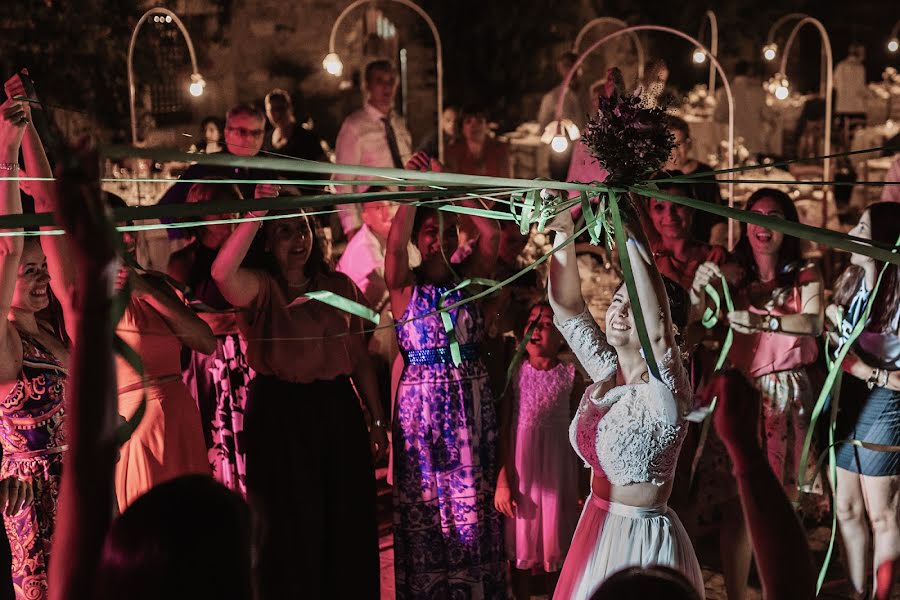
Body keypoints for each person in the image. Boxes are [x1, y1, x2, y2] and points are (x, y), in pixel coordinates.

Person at [211, 189, 387, 599]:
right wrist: (255, 213)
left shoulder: (338, 284)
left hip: (336, 408)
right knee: (291, 524)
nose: (298, 239)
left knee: (344, 518)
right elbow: (222, 275)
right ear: (268, 242)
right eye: (285, 231)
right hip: (281, 413)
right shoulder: (262, 289)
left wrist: (377, 419)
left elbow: (359, 356)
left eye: (303, 228)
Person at [546, 194, 703, 598]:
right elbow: (566, 310)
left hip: (641, 544)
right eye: (617, 300)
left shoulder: (665, 391)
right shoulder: (604, 372)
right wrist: (563, 231)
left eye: (632, 304)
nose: (619, 310)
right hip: (595, 529)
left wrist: (628, 224)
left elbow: (656, 334)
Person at [691, 189, 823, 599]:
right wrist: (700, 289)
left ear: (787, 225)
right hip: (744, 394)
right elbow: (701, 318)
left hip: (786, 393)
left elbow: (814, 323)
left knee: (781, 504)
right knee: (737, 505)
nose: (763, 226)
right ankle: (734, 594)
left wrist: (761, 319)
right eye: (756, 217)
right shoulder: (733, 273)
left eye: (774, 217)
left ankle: (780, 590)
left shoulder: (807, 272)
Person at [386, 153, 507, 598]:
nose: (435, 232)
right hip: (421, 417)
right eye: (427, 226)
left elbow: (490, 231)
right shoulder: (404, 285)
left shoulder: (472, 280)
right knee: (426, 511)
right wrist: (414, 193)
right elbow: (394, 246)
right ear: (419, 235)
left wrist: (450, 186)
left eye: (443, 224)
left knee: (471, 512)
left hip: (470, 412)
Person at [0, 83, 75, 600]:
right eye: (32, 272)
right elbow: (11, 243)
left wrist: (27, 131)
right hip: (35, 493)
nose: (43, 277)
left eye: (43, 269)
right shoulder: (5, 341)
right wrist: (4, 152)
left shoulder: (52, 329)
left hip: (79, 478)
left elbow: (47, 200)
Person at [112, 193, 216, 511]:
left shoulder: (158, 284)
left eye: (131, 226)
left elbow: (205, 342)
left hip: (180, 411)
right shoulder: (84, 294)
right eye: (117, 227)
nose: (128, 236)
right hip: (136, 423)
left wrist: (147, 292)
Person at [827, 202, 900, 599]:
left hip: (886, 403)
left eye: (862, 226)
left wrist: (866, 371)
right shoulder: (853, 283)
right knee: (847, 509)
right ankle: (858, 592)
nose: (852, 231)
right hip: (851, 401)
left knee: (882, 515)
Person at [168, 181, 254, 496]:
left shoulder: (250, 255)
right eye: (224, 211)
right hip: (211, 364)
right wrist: (236, 320)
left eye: (236, 209)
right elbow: (186, 322)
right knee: (218, 443)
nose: (233, 218)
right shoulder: (184, 262)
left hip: (252, 361)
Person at [495, 303, 585, 600]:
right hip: (524, 476)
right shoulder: (515, 374)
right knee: (520, 551)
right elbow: (506, 428)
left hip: (558, 476)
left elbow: (580, 432)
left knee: (555, 552)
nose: (536, 328)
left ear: (561, 335)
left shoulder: (571, 377)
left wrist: (583, 486)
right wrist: (504, 480)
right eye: (531, 321)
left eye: (546, 323)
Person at [704, 371, 816, 600]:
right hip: (749, 385)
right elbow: (792, 588)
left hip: (775, 391)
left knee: (785, 495)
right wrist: (744, 448)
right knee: (738, 509)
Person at [333, 59, 412, 240]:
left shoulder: (399, 124)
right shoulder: (354, 126)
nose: (387, 87)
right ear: (367, 85)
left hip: (403, 216)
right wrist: (352, 228)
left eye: (391, 81)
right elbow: (342, 182)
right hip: (373, 221)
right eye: (380, 81)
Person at [644, 175, 728, 292]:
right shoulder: (645, 258)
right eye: (659, 207)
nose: (669, 216)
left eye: (678, 205)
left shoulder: (715, 257)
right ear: (649, 212)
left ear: (692, 207)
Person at [663, 116, 726, 246]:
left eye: (680, 144)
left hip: (700, 247)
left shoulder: (704, 174)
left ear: (689, 143)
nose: (676, 151)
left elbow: (718, 218)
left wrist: (713, 250)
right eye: (671, 145)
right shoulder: (654, 177)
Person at [538, 51, 588, 181]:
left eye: (574, 65)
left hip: (586, 157)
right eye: (566, 66)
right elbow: (543, 135)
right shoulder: (552, 98)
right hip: (563, 156)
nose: (571, 70)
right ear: (560, 69)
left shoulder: (590, 94)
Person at [715, 60, 769, 157]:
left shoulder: (724, 91)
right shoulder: (759, 92)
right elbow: (768, 115)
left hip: (732, 141)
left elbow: (718, 116)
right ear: (750, 72)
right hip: (754, 142)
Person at [444, 105, 510, 178]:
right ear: (462, 128)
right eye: (468, 121)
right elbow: (452, 182)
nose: (474, 126)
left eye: (479, 121)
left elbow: (507, 181)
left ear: (486, 126)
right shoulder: (454, 151)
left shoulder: (500, 149)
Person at [263, 88, 328, 162]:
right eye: (273, 110)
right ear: (267, 113)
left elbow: (325, 168)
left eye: (281, 108)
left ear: (290, 108)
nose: (278, 114)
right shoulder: (266, 139)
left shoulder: (307, 138)